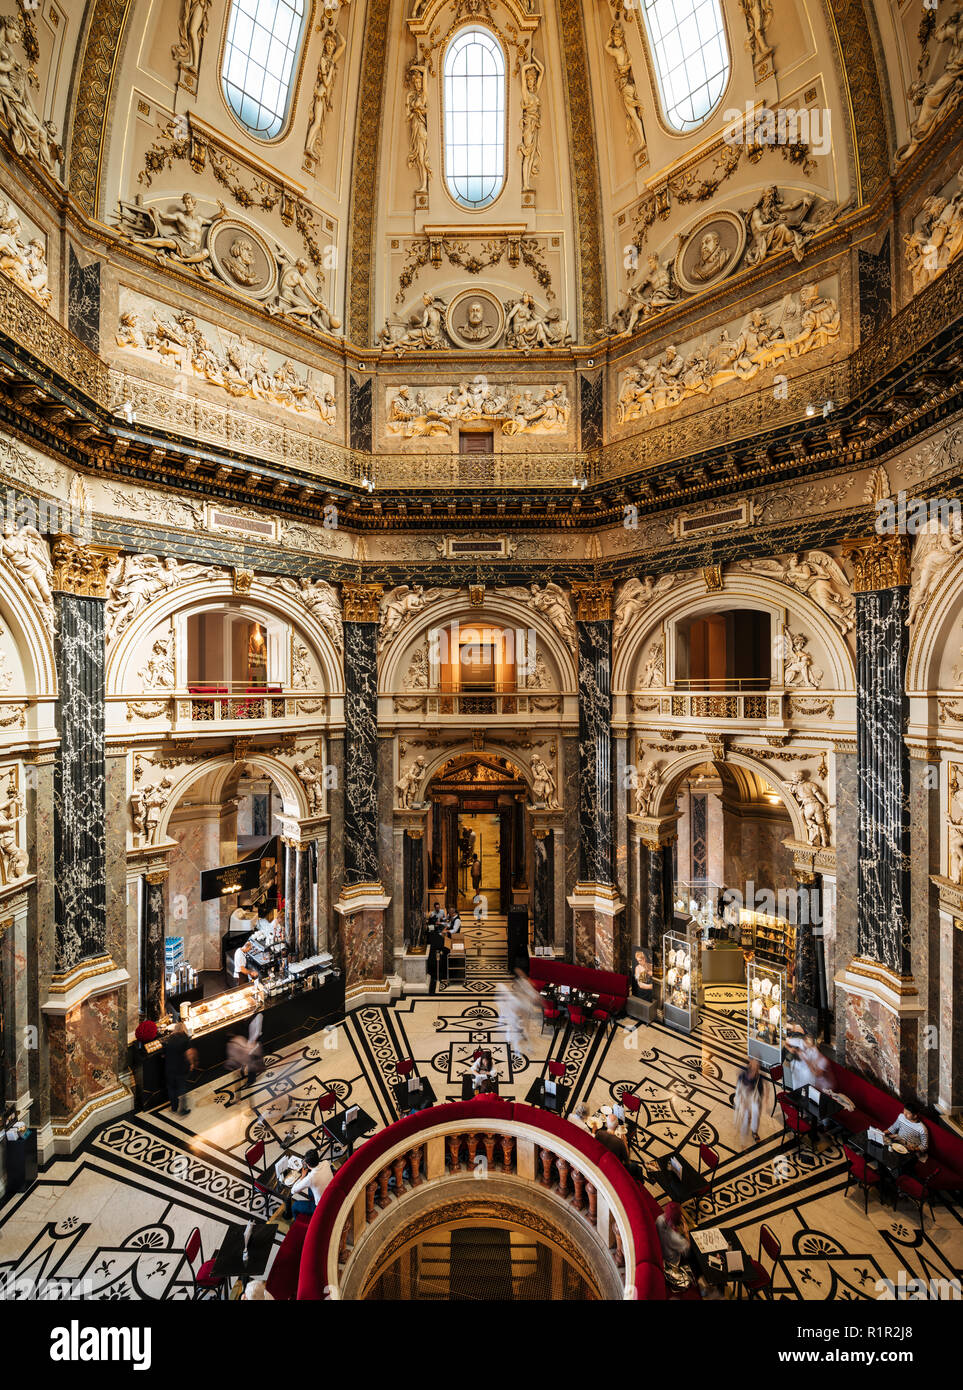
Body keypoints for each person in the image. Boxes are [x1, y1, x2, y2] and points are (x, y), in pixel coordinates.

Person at [289, 1147, 334, 1217]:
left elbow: (293, 1190)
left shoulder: (310, 1178)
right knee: (311, 1187)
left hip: (321, 1207)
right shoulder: (326, 1163)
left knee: (295, 1206)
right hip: (331, 1195)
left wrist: (303, 1176)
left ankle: (296, 1220)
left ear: (308, 1165)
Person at [164, 1021, 195, 1115]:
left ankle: (174, 1107)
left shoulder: (169, 1039)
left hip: (169, 1067)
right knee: (181, 1088)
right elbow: (189, 1053)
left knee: (171, 1087)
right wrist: (192, 1063)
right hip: (181, 1068)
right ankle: (183, 1109)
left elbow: (164, 1054)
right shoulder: (185, 1038)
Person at [734, 1056, 764, 1144]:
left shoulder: (758, 1077)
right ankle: (743, 1137)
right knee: (746, 1115)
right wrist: (742, 1101)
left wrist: (760, 1100)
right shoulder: (743, 1074)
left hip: (753, 1096)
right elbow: (739, 1088)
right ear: (750, 1064)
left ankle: (754, 1132)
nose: (756, 1067)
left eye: (757, 1066)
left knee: (755, 1113)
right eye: (755, 1065)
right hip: (744, 1096)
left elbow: (760, 1090)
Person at [655, 1202, 692, 1270]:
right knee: (692, 1256)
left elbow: (668, 1216)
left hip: (660, 1251)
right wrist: (686, 1233)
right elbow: (687, 1249)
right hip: (671, 1261)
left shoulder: (659, 1219)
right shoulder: (676, 1238)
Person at [426, 921, 445, 995]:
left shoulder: (432, 934)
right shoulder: (441, 939)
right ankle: (437, 977)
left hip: (430, 957)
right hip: (435, 959)